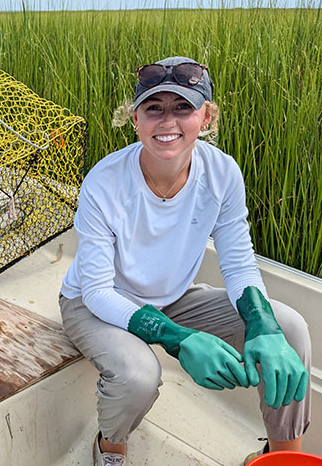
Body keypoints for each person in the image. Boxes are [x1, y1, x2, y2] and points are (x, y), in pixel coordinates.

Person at [59, 56, 311, 466]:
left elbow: (238, 263)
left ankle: (283, 457)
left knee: (290, 330)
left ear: (207, 117)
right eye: (153, 108)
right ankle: (110, 450)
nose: (167, 122)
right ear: (134, 118)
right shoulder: (103, 183)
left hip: (173, 297)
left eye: (183, 108)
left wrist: (262, 326)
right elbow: (98, 290)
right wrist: (180, 340)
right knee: (139, 377)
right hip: (94, 305)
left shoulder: (223, 173)